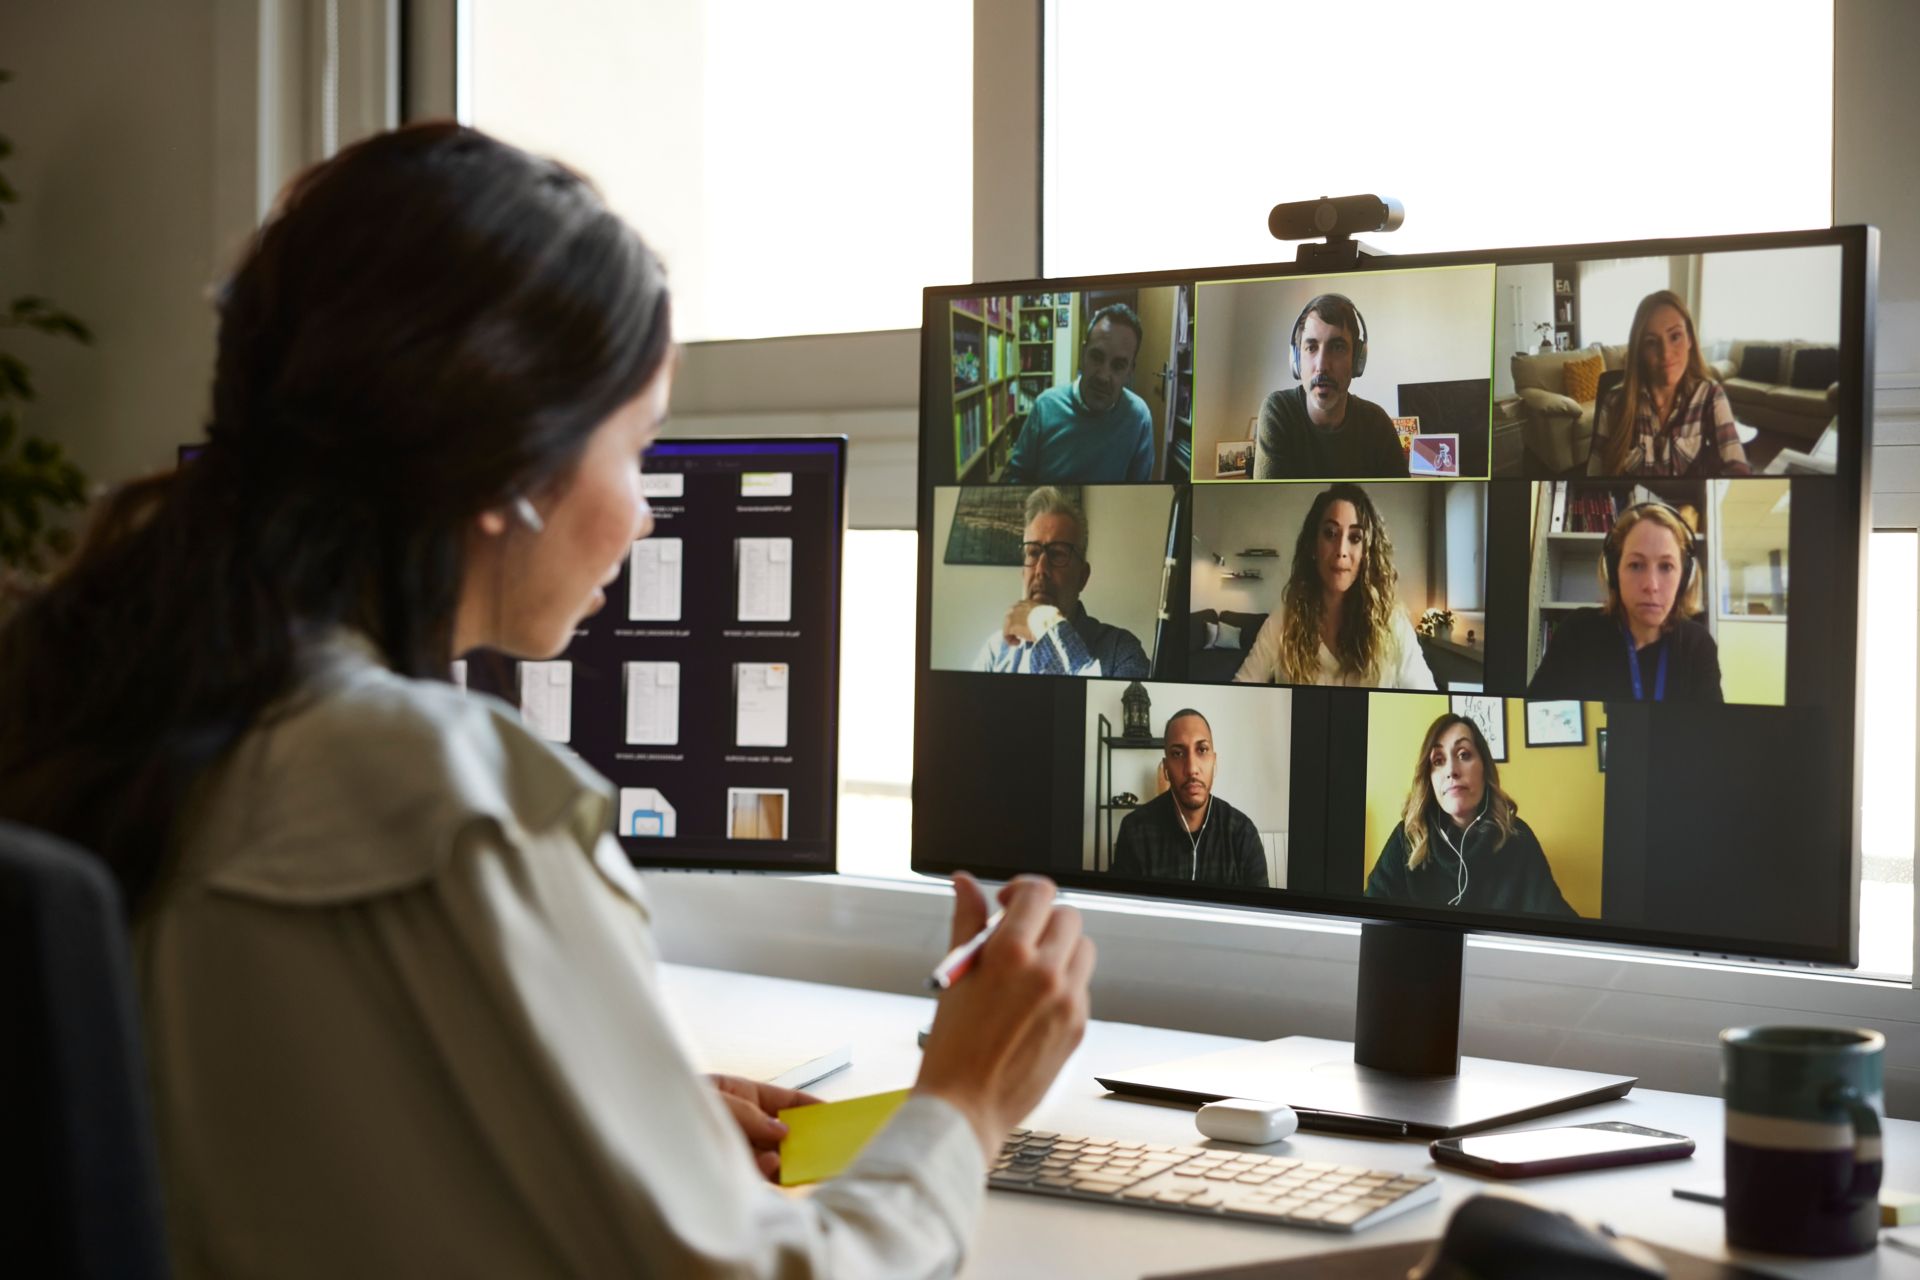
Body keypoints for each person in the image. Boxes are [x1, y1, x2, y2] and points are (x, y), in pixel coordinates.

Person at [0, 124, 1096, 1277]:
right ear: (506, 473)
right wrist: (966, 1100)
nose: (646, 512)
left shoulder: (110, 714)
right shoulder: (437, 797)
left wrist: (624, 1115)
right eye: (637, 448)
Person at [1365, 713, 1576, 917]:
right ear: (1429, 778)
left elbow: (1555, 920)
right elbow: (1370, 919)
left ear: (1484, 768)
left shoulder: (1517, 837)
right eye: (1438, 760)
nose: (1451, 771)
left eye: (1464, 755)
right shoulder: (1408, 837)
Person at [1233, 484, 1435, 689]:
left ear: (1368, 552)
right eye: (1330, 534)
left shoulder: (1393, 625)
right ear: (1313, 545)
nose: (1341, 550)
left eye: (1355, 538)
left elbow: (1428, 698)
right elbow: (1240, 688)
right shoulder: (1285, 619)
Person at [1527, 501, 1724, 702]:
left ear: (1684, 577)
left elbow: (1710, 730)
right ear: (1614, 572)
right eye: (1636, 565)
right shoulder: (1578, 631)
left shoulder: (1698, 645)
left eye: (1666, 566)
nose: (1651, 585)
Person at [973, 486, 1149, 677]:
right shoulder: (995, 653)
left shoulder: (1122, 652)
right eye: (1032, 552)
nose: (1041, 570)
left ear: (1082, 577)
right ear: (1022, 572)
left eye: (1057, 554)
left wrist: (1049, 626)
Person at [1588, 290, 1752, 477]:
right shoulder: (1615, 402)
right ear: (1640, 351)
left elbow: (1737, 469)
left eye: (1675, 336)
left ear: (1690, 338)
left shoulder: (1710, 396)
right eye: (1651, 342)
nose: (1665, 353)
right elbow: (1595, 472)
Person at [1254, 293, 1407, 479]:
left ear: (1357, 360)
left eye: (1338, 347)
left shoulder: (1377, 424)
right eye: (1311, 347)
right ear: (1296, 360)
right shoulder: (1278, 412)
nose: (1322, 366)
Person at [1110, 708, 1268, 887]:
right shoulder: (1135, 831)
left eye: (1202, 750)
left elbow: (1260, 911)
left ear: (1214, 762)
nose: (1192, 768)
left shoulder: (1243, 834)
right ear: (1166, 768)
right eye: (1178, 753)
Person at [1004, 303, 1154, 484]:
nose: (1103, 376)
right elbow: (1017, 476)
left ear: (1130, 371)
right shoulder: (1045, 406)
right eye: (1097, 357)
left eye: (1118, 365)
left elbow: (1137, 491)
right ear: (1083, 354)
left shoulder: (1139, 418)